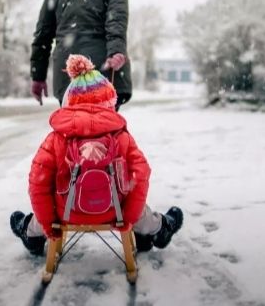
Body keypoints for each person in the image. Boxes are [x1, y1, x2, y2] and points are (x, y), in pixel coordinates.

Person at [10, 54, 183, 255]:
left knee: (48, 205)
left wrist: (49, 225)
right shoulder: (121, 137)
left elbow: (38, 183)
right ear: (110, 101)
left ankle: (31, 234)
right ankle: (158, 229)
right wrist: (128, 218)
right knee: (137, 207)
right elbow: (140, 174)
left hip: (67, 213)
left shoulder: (56, 139)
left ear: (69, 101)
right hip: (113, 212)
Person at [30, 0, 132, 110]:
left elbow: (43, 35)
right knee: (105, 130)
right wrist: (116, 51)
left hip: (67, 71)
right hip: (104, 69)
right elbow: (116, 20)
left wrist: (38, 76)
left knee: (71, 129)